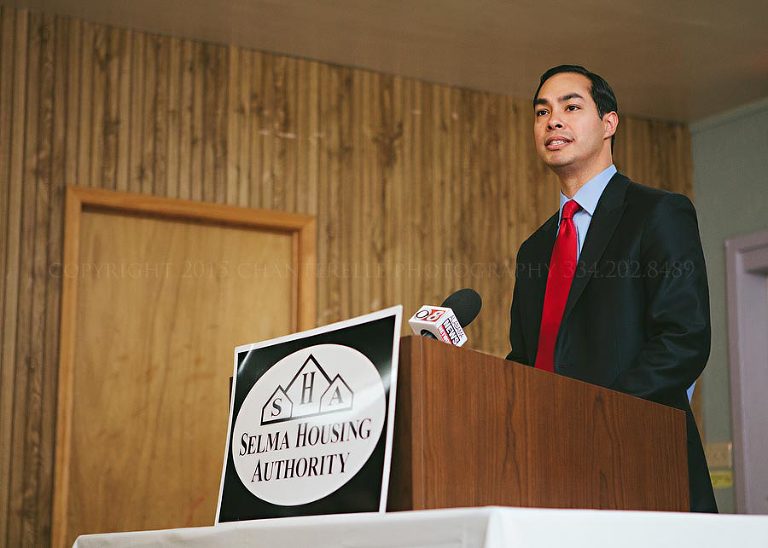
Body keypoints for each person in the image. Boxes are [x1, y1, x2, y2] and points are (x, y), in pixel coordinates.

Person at [506, 64, 717, 512]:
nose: (553, 121)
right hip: (546, 471)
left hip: (639, 462)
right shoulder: (533, 251)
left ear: (609, 123)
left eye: (571, 106)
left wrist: (596, 416)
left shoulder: (658, 213)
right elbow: (528, 360)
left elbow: (683, 340)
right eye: (541, 112)